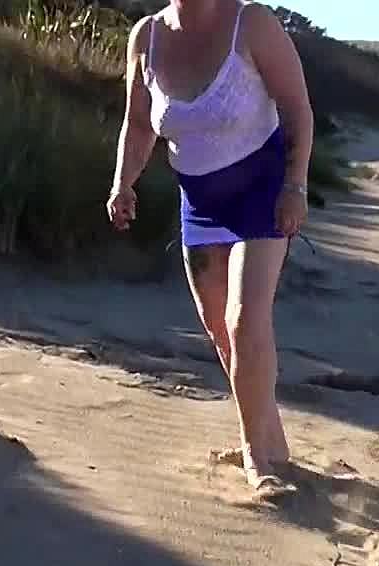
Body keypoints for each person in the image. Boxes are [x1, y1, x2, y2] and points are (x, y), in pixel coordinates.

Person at [106, 0, 314, 495]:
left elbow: (297, 108)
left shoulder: (252, 24)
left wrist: (296, 186)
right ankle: (273, 442)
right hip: (199, 206)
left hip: (263, 196)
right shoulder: (146, 37)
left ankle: (255, 457)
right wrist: (122, 183)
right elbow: (139, 123)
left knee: (245, 320)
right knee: (222, 332)